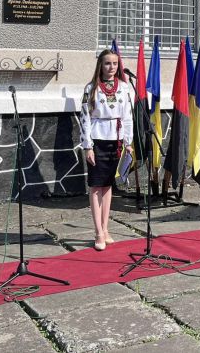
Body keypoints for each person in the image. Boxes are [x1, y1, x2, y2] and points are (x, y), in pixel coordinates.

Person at [78, 49, 134, 250]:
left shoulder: (124, 87)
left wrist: (128, 142)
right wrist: (88, 146)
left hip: (115, 140)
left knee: (108, 185)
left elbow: (127, 116)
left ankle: (106, 228)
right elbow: (85, 118)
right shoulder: (91, 88)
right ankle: (98, 232)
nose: (112, 67)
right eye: (107, 63)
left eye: (115, 63)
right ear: (100, 65)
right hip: (97, 140)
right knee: (96, 186)